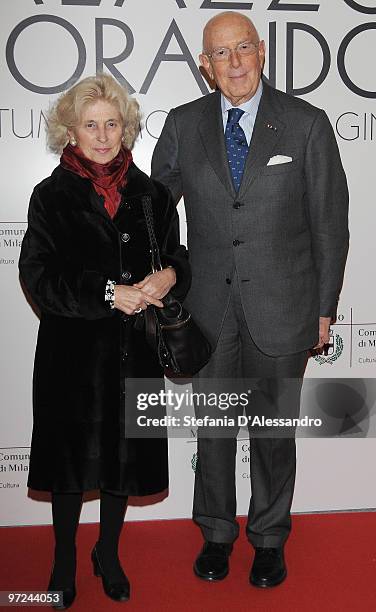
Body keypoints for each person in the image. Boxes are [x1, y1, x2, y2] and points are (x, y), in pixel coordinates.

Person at [152, 11, 349, 587]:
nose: (234, 62)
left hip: (285, 307)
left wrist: (325, 304)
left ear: (261, 51)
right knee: (212, 431)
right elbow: (155, 208)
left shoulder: (306, 124)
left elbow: (330, 223)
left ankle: (269, 538)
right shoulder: (184, 125)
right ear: (205, 66)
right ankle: (216, 533)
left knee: (271, 432)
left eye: (243, 48)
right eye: (220, 53)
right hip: (208, 309)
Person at [19, 73, 190, 609]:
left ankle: (108, 553)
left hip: (135, 352)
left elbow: (176, 255)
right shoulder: (50, 197)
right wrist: (106, 293)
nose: (101, 135)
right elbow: (37, 276)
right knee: (69, 467)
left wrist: (169, 276)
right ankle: (65, 559)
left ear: (126, 129)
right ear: (70, 130)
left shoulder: (153, 196)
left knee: (124, 461)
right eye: (90, 124)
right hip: (71, 358)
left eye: (111, 123)